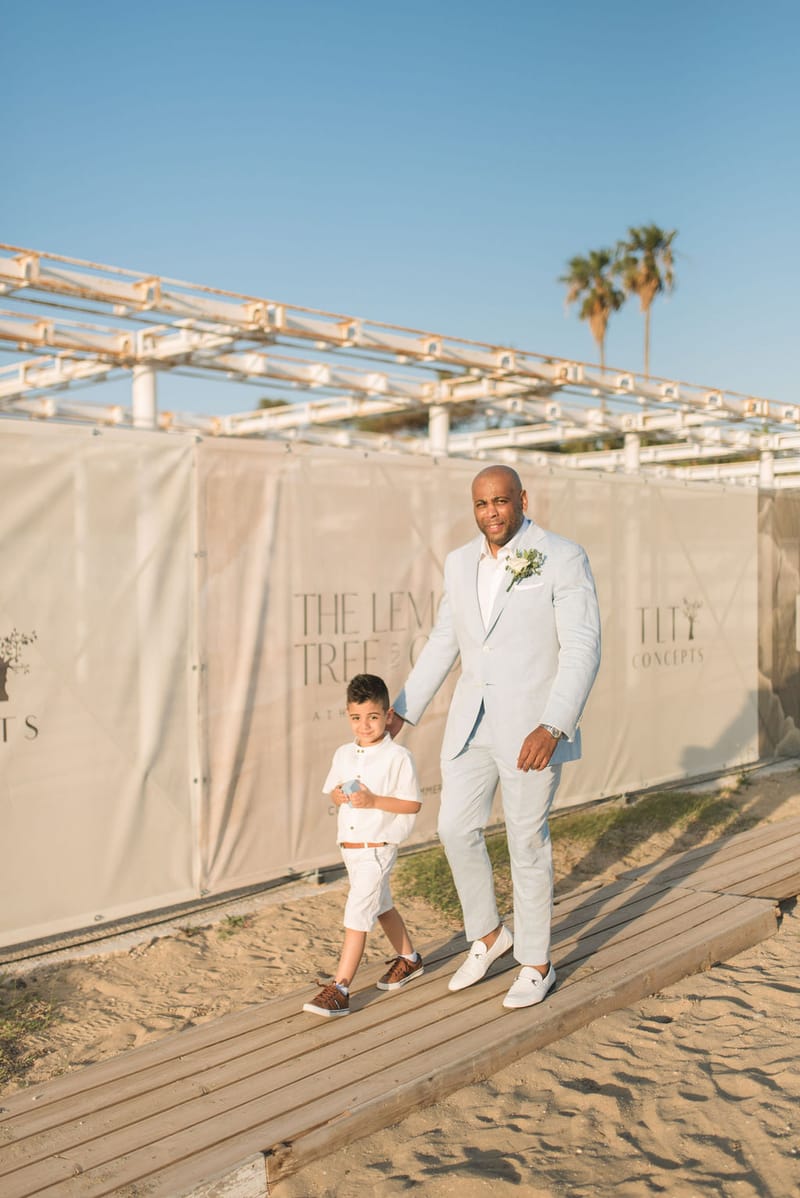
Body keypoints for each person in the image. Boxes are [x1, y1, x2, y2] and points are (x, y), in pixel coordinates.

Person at [388, 465, 601, 1009]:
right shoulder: (460, 563)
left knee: (526, 842)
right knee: (454, 829)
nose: (492, 513)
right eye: (482, 504)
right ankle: (488, 936)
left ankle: (536, 963)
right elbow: (444, 641)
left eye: (502, 502)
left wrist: (554, 723)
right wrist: (402, 713)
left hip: (533, 727)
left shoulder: (562, 555)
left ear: (522, 500)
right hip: (471, 721)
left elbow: (582, 647)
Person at [303, 673, 424, 1018]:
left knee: (357, 912)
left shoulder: (398, 757)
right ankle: (410, 959)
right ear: (347, 715)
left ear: (387, 716)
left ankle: (340, 988)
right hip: (350, 847)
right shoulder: (343, 753)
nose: (364, 725)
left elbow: (412, 804)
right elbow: (333, 790)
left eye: (372, 717)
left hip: (378, 846)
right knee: (380, 904)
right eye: (356, 718)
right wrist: (338, 795)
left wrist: (373, 801)